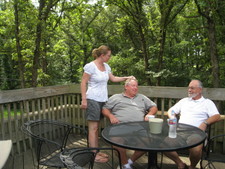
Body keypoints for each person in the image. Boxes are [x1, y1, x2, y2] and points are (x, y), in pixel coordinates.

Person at [80, 45, 133, 163]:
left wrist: (127, 78)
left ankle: (96, 151)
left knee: (97, 127)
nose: (110, 57)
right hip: (92, 99)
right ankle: (94, 155)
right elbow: (83, 82)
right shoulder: (91, 66)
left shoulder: (106, 66)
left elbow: (113, 79)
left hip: (103, 100)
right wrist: (84, 99)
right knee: (93, 128)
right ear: (102, 55)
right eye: (108, 55)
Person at [102, 78, 158, 169]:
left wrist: (149, 114)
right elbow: (105, 109)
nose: (135, 88)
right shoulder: (116, 97)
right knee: (117, 142)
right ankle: (125, 165)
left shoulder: (142, 97)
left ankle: (128, 162)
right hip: (120, 126)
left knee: (149, 141)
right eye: (133, 85)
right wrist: (111, 116)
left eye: (136, 86)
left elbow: (154, 107)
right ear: (126, 87)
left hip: (139, 127)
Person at [164, 79, 221, 169]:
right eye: (189, 88)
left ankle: (192, 166)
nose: (189, 90)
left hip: (196, 133)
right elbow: (171, 110)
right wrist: (172, 117)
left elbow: (217, 116)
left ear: (200, 90)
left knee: (196, 149)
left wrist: (205, 123)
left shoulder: (207, 103)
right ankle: (180, 163)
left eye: (192, 88)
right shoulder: (184, 101)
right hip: (180, 132)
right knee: (163, 144)